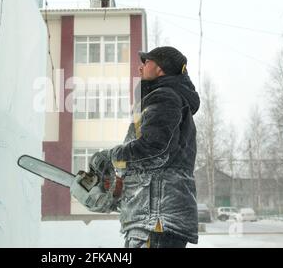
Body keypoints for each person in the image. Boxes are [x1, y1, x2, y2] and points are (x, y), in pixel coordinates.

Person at [70, 46, 200, 248]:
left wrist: (110, 156)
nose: (140, 68)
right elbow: (154, 163)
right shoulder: (168, 100)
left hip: (155, 220)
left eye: (146, 62)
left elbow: (154, 150)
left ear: (160, 68)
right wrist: (119, 187)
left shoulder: (165, 97)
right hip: (154, 219)